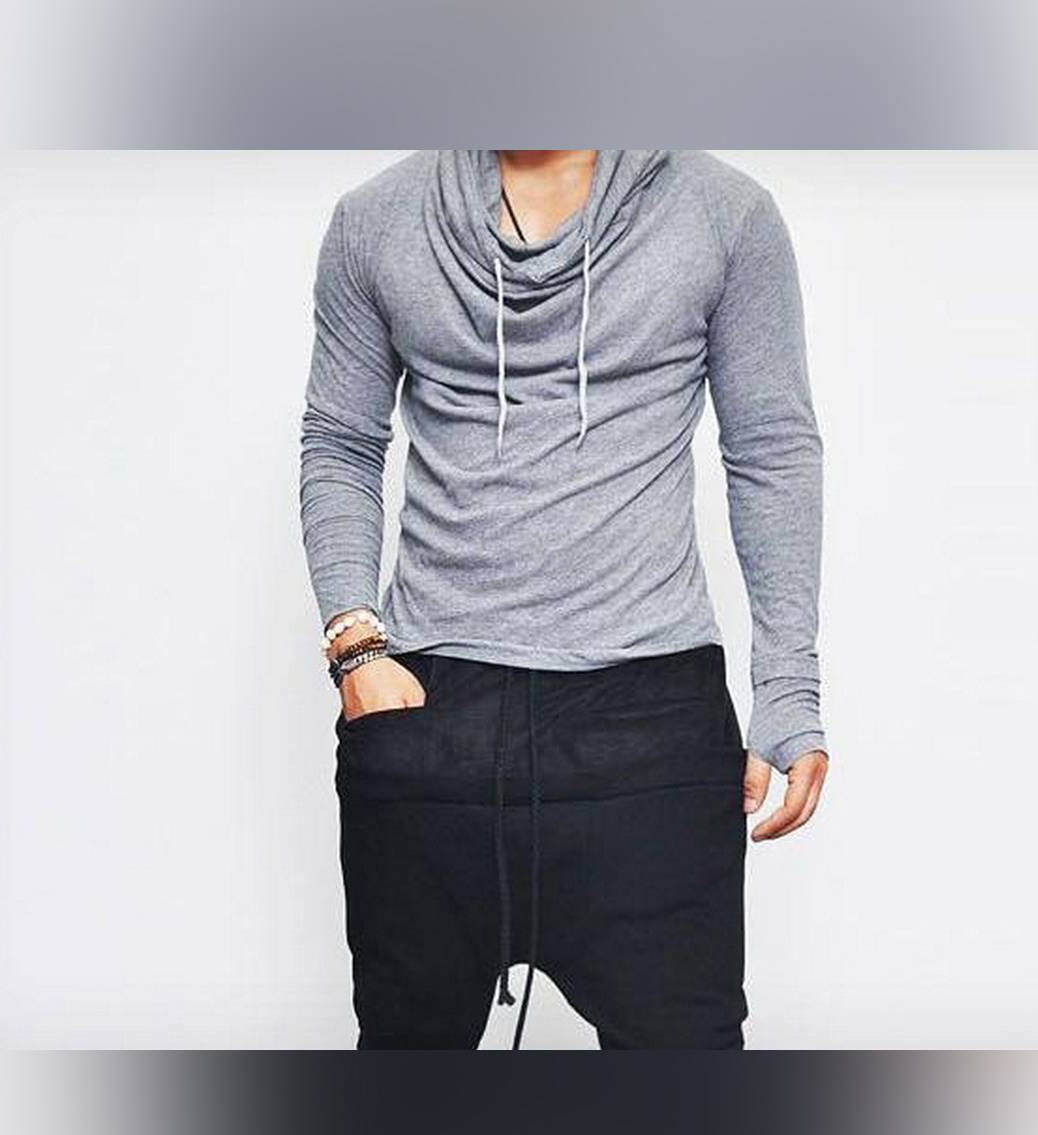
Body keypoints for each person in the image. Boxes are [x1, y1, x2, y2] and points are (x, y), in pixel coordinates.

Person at [299, 149, 828, 1049]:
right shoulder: (376, 219)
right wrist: (357, 649)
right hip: (433, 711)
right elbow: (341, 439)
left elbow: (771, 448)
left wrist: (788, 687)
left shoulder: (724, 213)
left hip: (649, 714)